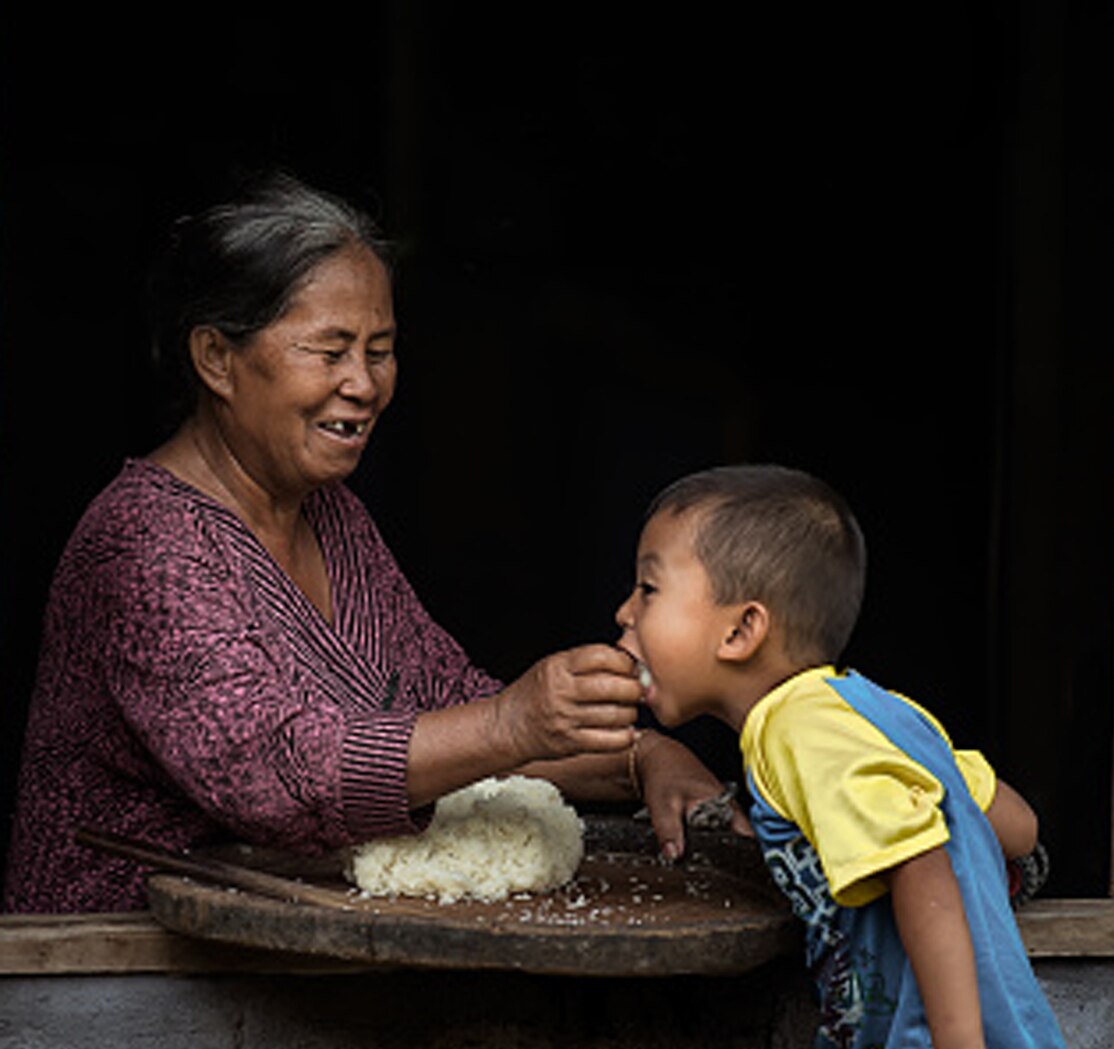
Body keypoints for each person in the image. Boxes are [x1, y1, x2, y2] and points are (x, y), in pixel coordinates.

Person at [3, 173, 720, 914]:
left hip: (282, 961)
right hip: (114, 974)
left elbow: (448, 707)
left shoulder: (332, 516)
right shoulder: (141, 544)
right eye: (330, 350)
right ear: (216, 358)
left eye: (379, 350)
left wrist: (640, 759)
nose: (364, 384)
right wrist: (513, 722)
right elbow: (276, 775)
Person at [615, 464, 1079, 1049]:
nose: (623, 614)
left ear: (741, 630)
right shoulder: (877, 715)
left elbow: (920, 863)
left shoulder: (799, 730)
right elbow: (1016, 825)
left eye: (647, 589)